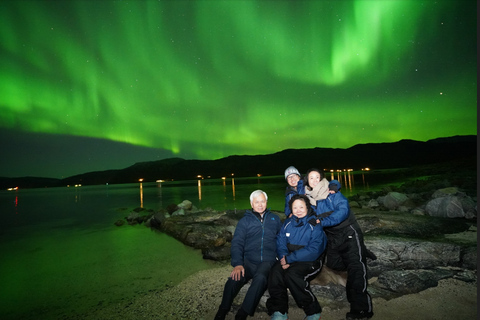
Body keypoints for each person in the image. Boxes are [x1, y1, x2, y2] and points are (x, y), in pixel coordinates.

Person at [215, 190, 282, 320]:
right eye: (257, 202)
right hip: (249, 261)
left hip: (267, 261)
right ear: (252, 204)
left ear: (266, 202)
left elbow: (281, 239)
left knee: (261, 278)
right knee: (234, 279)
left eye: (263, 201)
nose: (260, 204)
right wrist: (238, 264)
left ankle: (242, 313)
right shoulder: (244, 221)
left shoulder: (275, 219)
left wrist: (283, 256)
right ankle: (222, 309)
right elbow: (237, 243)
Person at [311, 180, 374, 320]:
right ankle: (360, 253)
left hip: (348, 233)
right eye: (310, 178)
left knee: (356, 268)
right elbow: (296, 203)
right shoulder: (311, 200)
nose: (314, 180)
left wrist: (321, 222)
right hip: (332, 237)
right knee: (334, 264)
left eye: (317, 177)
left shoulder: (333, 194)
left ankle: (361, 311)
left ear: (322, 180)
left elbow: (342, 212)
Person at [266, 194, 327, 320]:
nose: (298, 210)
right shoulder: (288, 223)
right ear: (291, 209)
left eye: (301, 207)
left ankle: (313, 311)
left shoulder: (314, 224)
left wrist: (290, 259)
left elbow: (314, 250)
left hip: (310, 261)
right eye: (295, 208)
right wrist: (283, 258)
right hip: (289, 257)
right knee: (275, 273)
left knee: (292, 275)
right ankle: (279, 311)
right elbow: (281, 241)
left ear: (307, 207)